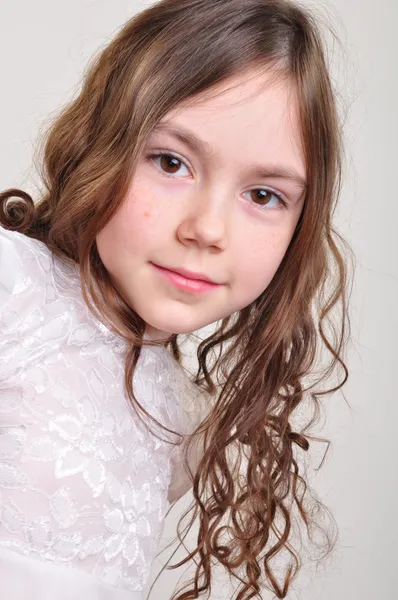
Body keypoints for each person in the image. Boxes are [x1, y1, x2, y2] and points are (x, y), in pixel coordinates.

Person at [0, 0, 351, 598]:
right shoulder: (14, 289)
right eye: (171, 161)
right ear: (102, 144)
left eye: (264, 195)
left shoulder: (183, 423)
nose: (208, 229)